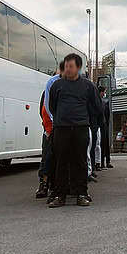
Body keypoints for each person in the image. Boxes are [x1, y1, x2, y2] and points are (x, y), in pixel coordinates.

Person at [47, 54, 103, 208]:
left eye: (71, 66)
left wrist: (85, 118)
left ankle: (82, 194)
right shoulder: (57, 86)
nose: (67, 69)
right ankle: (60, 195)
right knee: (61, 162)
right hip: (61, 129)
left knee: (80, 161)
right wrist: (61, 119)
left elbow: (97, 107)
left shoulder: (88, 86)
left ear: (78, 68)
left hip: (81, 128)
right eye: (65, 66)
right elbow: (52, 106)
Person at [36, 60, 65, 198]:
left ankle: (57, 185)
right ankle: (44, 183)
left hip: (62, 128)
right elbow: (44, 110)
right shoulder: (49, 88)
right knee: (47, 157)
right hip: (50, 129)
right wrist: (49, 129)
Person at [99, 86, 113, 169]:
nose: (104, 94)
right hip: (101, 126)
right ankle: (102, 163)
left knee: (106, 144)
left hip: (105, 125)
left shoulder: (104, 102)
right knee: (102, 144)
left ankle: (107, 162)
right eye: (104, 92)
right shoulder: (99, 102)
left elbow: (107, 115)